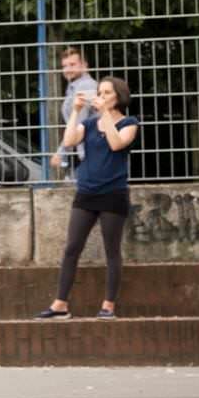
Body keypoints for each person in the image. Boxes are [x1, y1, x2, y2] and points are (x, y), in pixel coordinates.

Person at [39, 75, 140, 320]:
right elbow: (69, 140)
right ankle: (60, 304)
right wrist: (75, 111)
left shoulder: (129, 122)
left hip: (113, 194)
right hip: (87, 192)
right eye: (100, 92)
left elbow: (117, 144)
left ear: (119, 96)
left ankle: (108, 305)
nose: (101, 96)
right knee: (72, 248)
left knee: (111, 250)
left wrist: (105, 112)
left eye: (107, 93)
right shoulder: (92, 123)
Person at [51, 47, 99, 174]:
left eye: (72, 65)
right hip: (83, 149)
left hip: (90, 150)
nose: (67, 70)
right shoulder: (73, 87)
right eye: (64, 66)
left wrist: (61, 152)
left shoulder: (86, 86)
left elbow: (78, 123)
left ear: (84, 65)